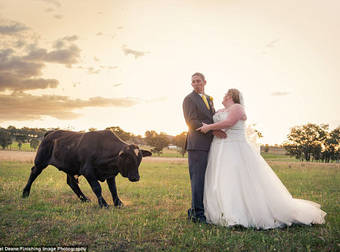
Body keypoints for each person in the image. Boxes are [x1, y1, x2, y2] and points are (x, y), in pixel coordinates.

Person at [197, 89, 326, 229]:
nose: (223, 96)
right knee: (221, 179)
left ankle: (238, 215)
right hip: (218, 148)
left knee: (235, 179)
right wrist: (213, 130)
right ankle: (221, 212)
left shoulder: (238, 108)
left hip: (234, 148)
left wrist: (209, 127)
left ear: (231, 96)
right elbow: (219, 126)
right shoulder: (219, 110)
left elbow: (229, 123)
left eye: (225, 94)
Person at [182, 72, 226, 223]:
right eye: (193, 81)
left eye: (198, 81)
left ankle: (196, 209)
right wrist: (214, 130)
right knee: (198, 180)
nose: (196, 83)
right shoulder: (189, 99)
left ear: (204, 82)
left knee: (207, 179)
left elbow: (211, 117)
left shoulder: (209, 99)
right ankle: (197, 214)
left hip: (210, 144)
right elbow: (191, 122)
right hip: (197, 145)